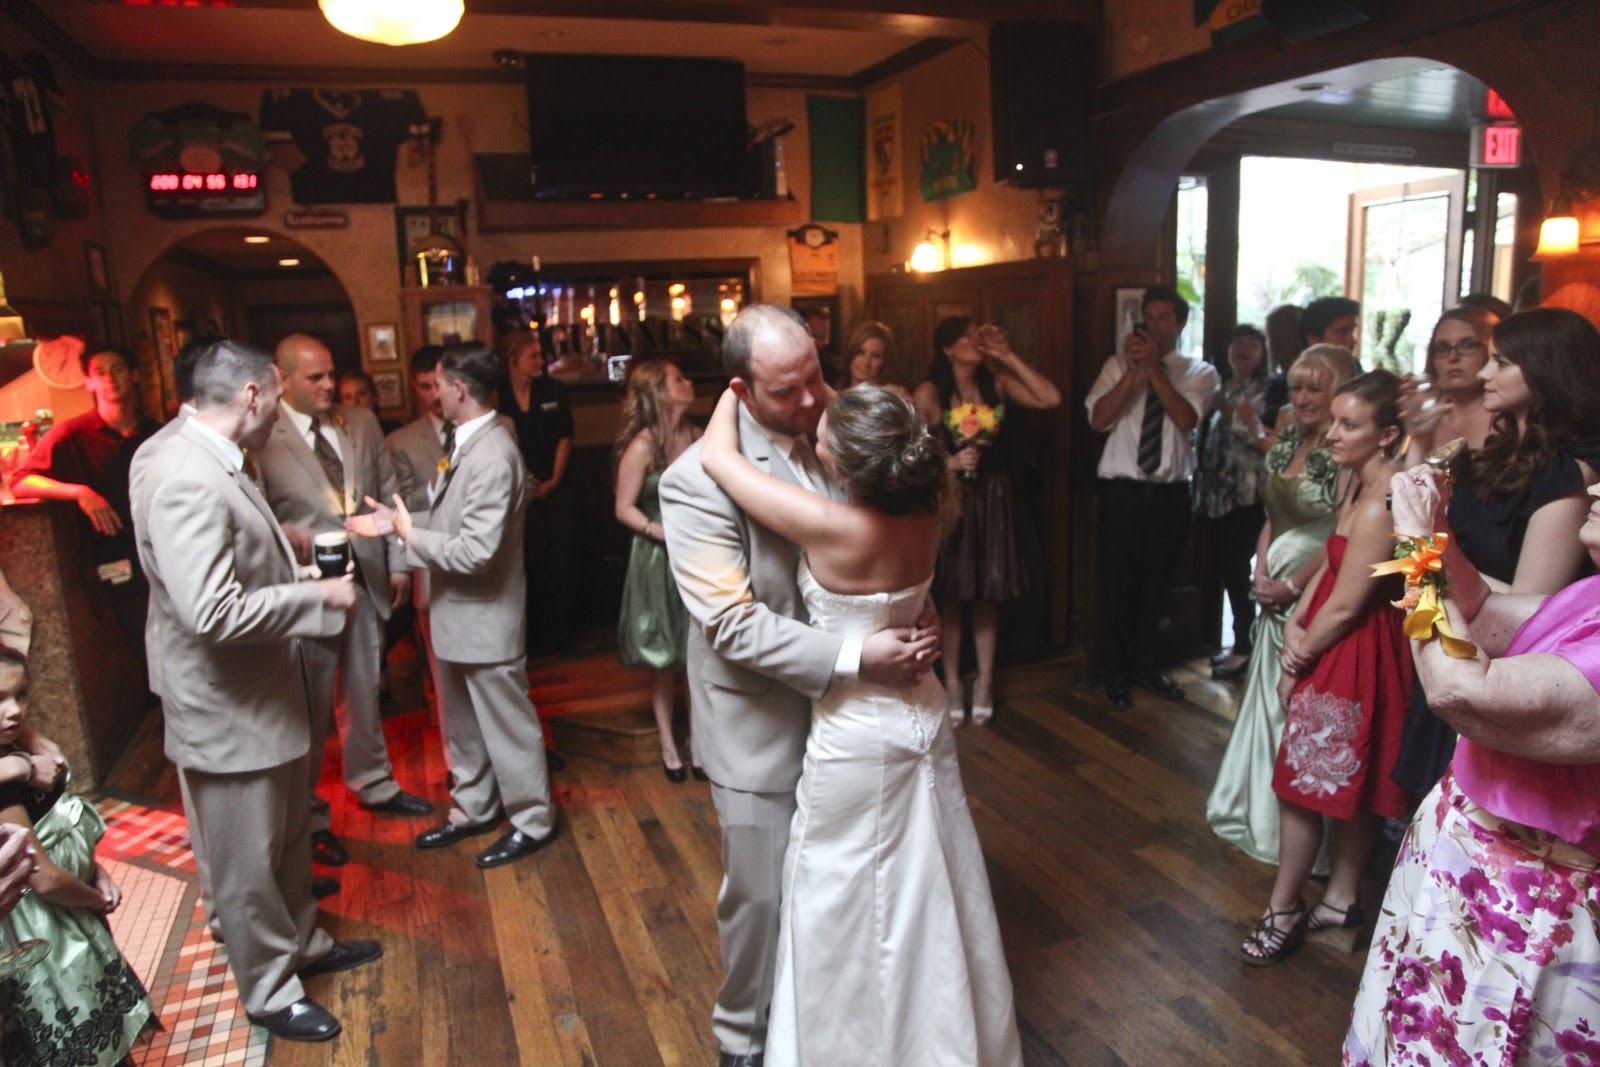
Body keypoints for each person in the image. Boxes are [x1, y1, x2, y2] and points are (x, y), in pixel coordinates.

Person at [698, 382, 1021, 1064]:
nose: (815, 424)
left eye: (826, 436)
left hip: (857, 729)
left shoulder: (830, 523)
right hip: (924, 709)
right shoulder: (929, 514)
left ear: (847, 469)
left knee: (835, 891)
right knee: (929, 881)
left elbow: (721, 459)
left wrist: (735, 389)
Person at [658, 304, 937, 1067]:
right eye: (789, 391)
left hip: (854, 722)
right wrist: (857, 656)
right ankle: (743, 1039)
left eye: (817, 373)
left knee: (839, 895)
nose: (815, 399)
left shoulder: (838, 434)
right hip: (763, 722)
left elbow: (890, 543)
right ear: (742, 393)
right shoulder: (695, 483)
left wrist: (919, 610)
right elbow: (732, 626)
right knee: (761, 896)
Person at [133, 339, 376, 1042]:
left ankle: (302, 943)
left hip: (261, 688)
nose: (280, 410)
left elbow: (225, 570)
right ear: (250, 396)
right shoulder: (185, 475)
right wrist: (318, 597)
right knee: (245, 858)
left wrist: (285, 563)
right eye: (275, 394)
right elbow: (209, 612)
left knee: (284, 834)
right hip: (227, 701)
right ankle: (269, 988)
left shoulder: (194, 452)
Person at [1343, 469, 1600, 1064]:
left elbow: (1460, 688)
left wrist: (1412, 547)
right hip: (1464, 879)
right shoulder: (1592, 594)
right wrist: (1435, 535)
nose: (1593, 489)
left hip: (1531, 914)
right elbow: (1481, 614)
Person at [351, 342, 559, 869]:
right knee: (461, 725)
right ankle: (474, 810)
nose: (434, 390)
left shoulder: (492, 454)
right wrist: (400, 523)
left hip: (486, 618)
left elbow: (476, 551)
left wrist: (407, 535)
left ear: (459, 389)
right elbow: (451, 521)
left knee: (508, 728)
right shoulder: (465, 442)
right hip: (455, 618)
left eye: (439, 383)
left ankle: (533, 820)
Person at [1240, 370, 1414, 965]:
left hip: (1356, 646)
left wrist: (1300, 651)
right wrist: (1295, 618)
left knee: (1301, 787)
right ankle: (1341, 899)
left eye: (1349, 424)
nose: (1332, 434)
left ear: (1387, 434)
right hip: (1339, 636)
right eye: (1334, 420)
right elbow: (1332, 571)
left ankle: (1283, 907)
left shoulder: (1385, 500)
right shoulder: (1357, 482)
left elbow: (1349, 603)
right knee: (1343, 782)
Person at [1390, 306, 1598, 794]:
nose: (1485, 371)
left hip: (1496, 666)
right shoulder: (1499, 451)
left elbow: (1531, 609)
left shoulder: (1568, 474)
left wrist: (1425, 554)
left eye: (1500, 362)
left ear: (1547, 368)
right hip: (1453, 630)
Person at [253, 334, 432, 875]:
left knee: (362, 690)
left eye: (332, 374)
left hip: (367, 576)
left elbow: (386, 494)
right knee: (306, 709)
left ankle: (374, 785)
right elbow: (256, 519)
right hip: (304, 589)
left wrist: (398, 562)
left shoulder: (361, 423)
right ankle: (308, 821)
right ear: (282, 380)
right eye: (315, 378)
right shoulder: (262, 434)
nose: (329, 386)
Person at [1205, 344, 1353, 867]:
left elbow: (1345, 532)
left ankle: (1305, 841)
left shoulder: (1344, 454)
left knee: (1298, 707)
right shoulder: (1288, 435)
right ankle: (1253, 807)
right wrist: (1262, 567)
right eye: (1297, 387)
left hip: (1316, 594)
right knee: (1266, 699)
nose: (1305, 398)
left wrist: (1293, 586)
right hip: (1273, 589)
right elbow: (1274, 513)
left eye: (1318, 388)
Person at [0, 645, 153, 1066]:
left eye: (21, 695)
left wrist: (92, 867)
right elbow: (43, 876)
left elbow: (52, 833)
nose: (13, 711)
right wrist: (94, 897)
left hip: (67, 911)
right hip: (47, 931)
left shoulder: (18, 750)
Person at [914, 316, 1061, 725]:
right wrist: (950, 460)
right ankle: (954, 684)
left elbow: (1050, 398)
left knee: (986, 592)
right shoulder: (930, 391)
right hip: (954, 499)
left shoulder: (997, 383)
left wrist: (1007, 355)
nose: (972, 341)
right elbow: (910, 448)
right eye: (963, 336)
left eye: (976, 335)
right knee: (952, 593)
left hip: (994, 497)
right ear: (946, 348)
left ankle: (985, 682)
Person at [1086, 285, 1220, 709]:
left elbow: (1185, 417)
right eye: (1149, 316)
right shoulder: (1115, 365)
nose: (1155, 324)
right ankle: (1114, 670)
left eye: (1164, 317)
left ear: (1179, 324)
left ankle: (1147, 665)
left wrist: (1156, 373)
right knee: (1117, 582)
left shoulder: (1199, 372)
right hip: (1122, 492)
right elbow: (1100, 418)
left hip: (1169, 494)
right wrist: (1132, 373)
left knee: (1155, 584)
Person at [11, 343, 159, 659]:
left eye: (117, 370)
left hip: (162, 553)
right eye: (99, 373)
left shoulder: (156, 434)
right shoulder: (71, 433)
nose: (109, 379)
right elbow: (21, 481)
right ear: (89, 382)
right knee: (138, 644)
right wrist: (79, 492)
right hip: (112, 559)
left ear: (134, 375)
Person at [612, 360, 701, 782]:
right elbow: (622, 508)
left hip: (698, 555)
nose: (689, 382)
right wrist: (659, 532)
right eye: (679, 378)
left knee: (699, 651)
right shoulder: (643, 446)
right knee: (664, 654)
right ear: (660, 393)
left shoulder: (698, 436)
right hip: (657, 555)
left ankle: (700, 740)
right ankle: (668, 741)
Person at [1194, 324, 1271, 681]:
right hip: (1216, 496)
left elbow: (1262, 439)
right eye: (1237, 341)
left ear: (1263, 351)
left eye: (1251, 343)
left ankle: (1245, 647)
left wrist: (1229, 411)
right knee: (1227, 571)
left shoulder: (1269, 390)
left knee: (1241, 573)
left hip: (1248, 496)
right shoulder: (1222, 387)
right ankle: (1239, 642)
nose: (1242, 348)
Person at [498, 329, 577, 656]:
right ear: (514, 360)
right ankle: (532, 637)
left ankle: (562, 636)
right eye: (533, 356)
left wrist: (553, 479)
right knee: (527, 560)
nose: (540, 361)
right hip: (517, 491)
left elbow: (565, 436)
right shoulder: (497, 395)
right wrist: (527, 480)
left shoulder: (553, 390)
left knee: (559, 557)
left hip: (556, 487)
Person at [1397, 305, 1501, 466]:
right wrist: (1418, 440)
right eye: (1443, 348)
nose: (1453, 356)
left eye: (1468, 345)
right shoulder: (1427, 416)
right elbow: (1410, 487)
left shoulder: (1505, 419)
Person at [835, 320, 907, 397]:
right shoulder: (833, 397)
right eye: (861, 353)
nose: (867, 362)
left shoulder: (894, 395)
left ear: (884, 362)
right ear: (850, 352)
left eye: (876, 356)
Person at [338, 369, 402, 435]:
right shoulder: (338, 433)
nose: (355, 402)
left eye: (361, 394)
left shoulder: (393, 429)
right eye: (348, 397)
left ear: (375, 397)